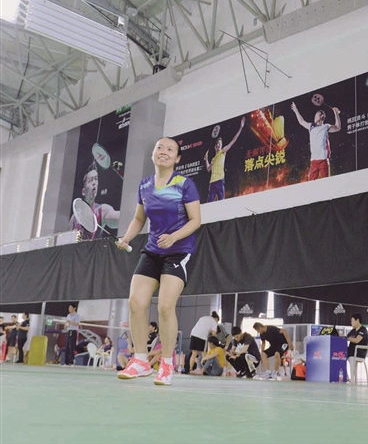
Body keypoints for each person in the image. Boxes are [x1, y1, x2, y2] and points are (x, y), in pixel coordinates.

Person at [115, 137, 201, 386]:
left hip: (178, 250)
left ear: (177, 158)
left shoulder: (185, 184)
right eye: (159, 147)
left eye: (170, 149)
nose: (163, 151)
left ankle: (166, 364)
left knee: (165, 306)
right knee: (136, 302)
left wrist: (173, 237)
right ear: (153, 154)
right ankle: (141, 361)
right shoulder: (145, 185)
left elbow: (196, 220)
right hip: (152, 250)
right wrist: (127, 237)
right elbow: (139, 219)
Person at [290, 102, 341, 180]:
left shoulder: (326, 127)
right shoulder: (311, 126)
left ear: (321, 116)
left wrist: (336, 113)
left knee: (326, 182)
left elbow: (338, 127)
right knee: (312, 183)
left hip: (323, 160)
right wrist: (295, 109)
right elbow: (301, 121)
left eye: (317, 115)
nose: (315, 117)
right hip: (314, 161)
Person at [69, 167, 120, 240]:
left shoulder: (102, 210)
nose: (94, 183)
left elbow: (120, 219)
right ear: (83, 191)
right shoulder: (74, 218)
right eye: (90, 180)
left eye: (96, 179)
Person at [204, 117, 246, 202]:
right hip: (212, 182)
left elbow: (233, 141)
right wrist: (206, 159)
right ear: (215, 146)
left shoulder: (223, 152)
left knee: (221, 202)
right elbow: (208, 169)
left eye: (220, 143)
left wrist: (241, 128)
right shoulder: (213, 159)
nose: (219, 145)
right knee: (210, 203)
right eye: (218, 144)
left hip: (220, 181)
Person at [346, 313, 368, 382]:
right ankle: (346, 376)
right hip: (351, 351)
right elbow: (346, 337)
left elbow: (356, 340)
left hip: (359, 352)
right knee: (339, 353)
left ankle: (352, 379)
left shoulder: (363, 330)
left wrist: (347, 338)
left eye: (352, 321)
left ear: (357, 320)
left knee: (346, 354)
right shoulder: (353, 331)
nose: (351, 323)